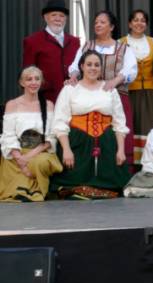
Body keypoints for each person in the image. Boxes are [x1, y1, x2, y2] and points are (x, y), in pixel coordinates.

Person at [51, 51, 130, 199]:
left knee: (117, 184)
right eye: (89, 64)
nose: (93, 68)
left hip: (107, 144)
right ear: (82, 66)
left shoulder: (110, 89)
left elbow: (119, 122)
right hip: (78, 143)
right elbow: (60, 121)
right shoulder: (70, 89)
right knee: (70, 182)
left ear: (101, 68)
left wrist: (120, 150)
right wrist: (66, 150)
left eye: (97, 65)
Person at [68, 11, 138, 166]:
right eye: (96, 22)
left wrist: (115, 81)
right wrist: (73, 76)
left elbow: (131, 70)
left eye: (102, 22)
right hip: (89, 96)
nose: (98, 25)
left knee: (118, 132)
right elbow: (76, 66)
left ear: (111, 27)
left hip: (117, 96)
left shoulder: (123, 48)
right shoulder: (87, 46)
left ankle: (120, 168)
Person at [0, 67, 62, 201]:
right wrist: (21, 162)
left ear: (41, 82)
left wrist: (28, 157)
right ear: (22, 82)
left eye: (37, 79)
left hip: (39, 152)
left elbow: (50, 137)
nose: (33, 82)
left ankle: (39, 186)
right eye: (29, 79)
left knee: (41, 163)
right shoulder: (12, 104)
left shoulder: (48, 105)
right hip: (17, 155)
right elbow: (8, 136)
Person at [22, 0, 81, 103]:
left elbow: (81, 68)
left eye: (61, 16)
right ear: (46, 17)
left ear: (66, 19)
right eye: (54, 15)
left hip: (73, 98)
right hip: (45, 99)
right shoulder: (32, 41)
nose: (58, 18)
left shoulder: (75, 42)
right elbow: (27, 74)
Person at [120, 9, 153, 166]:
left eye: (143, 20)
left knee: (148, 128)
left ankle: (147, 164)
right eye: (135, 20)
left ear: (146, 24)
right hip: (128, 92)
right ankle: (130, 165)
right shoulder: (120, 43)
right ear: (130, 23)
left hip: (150, 92)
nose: (139, 23)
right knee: (129, 126)